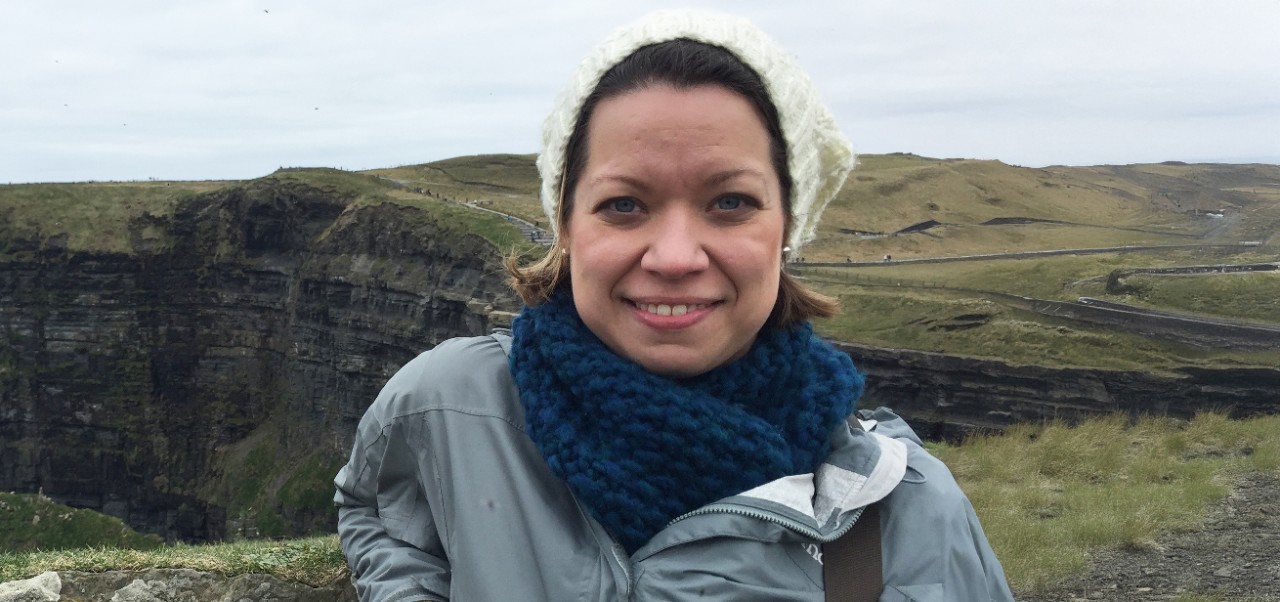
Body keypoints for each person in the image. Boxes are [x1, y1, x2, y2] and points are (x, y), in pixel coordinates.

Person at [335, 10, 1013, 601]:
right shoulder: (449, 403)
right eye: (624, 205)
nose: (676, 256)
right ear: (567, 225)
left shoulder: (906, 510)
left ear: (788, 228)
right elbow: (373, 505)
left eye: (730, 203)